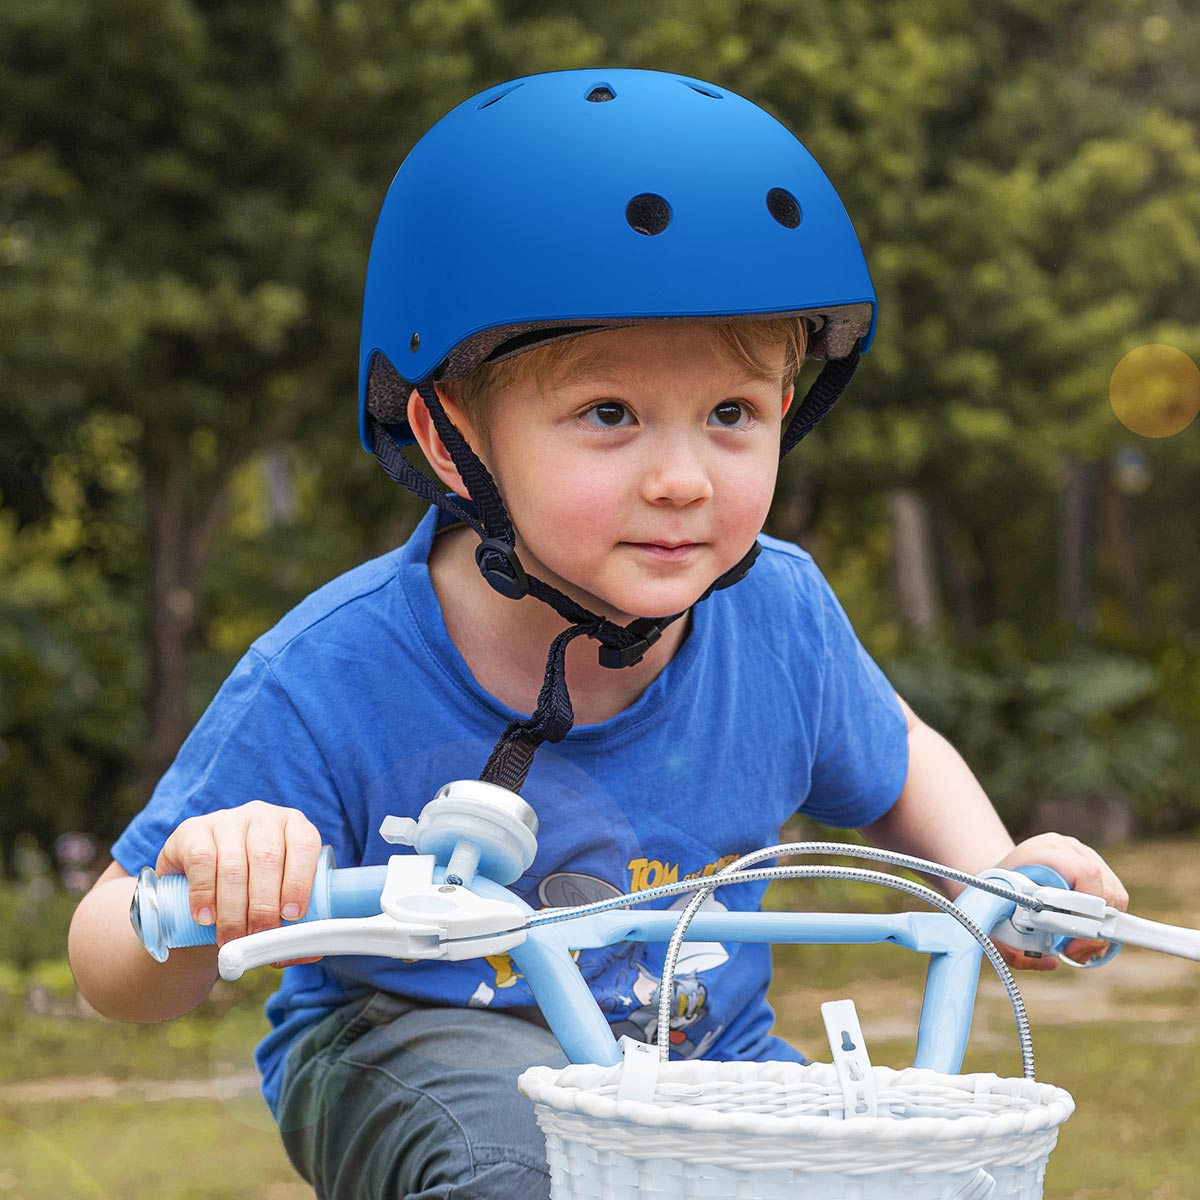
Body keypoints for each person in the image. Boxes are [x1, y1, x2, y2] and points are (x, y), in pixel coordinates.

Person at [68, 68, 1127, 1199]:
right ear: (447, 435)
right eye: (608, 415)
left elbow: (898, 751)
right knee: (524, 1175)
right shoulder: (333, 671)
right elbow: (108, 970)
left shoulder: (779, 614)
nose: (680, 479)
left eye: (732, 414)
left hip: (703, 1070)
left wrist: (997, 872)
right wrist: (205, 885)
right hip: (417, 1050)